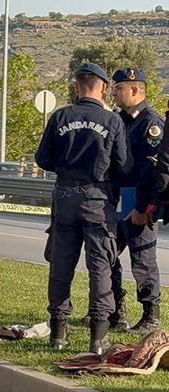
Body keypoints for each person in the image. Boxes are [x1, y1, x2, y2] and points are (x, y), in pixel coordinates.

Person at [35, 63, 131, 354]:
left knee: (61, 264)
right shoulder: (113, 121)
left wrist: (67, 168)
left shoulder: (60, 116)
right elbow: (124, 166)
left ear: (77, 86)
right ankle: (98, 338)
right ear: (102, 87)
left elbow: (42, 159)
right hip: (97, 200)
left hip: (64, 196)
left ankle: (58, 333)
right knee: (100, 265)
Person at [105, 68, 165, 334]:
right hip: (117, 198)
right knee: (107, 256)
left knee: (143, 261)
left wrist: (144, 208)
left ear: (134, 89)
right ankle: (117, 311)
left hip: (138, 200)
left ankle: (150, 315)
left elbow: (154, 171)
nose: (114, 93)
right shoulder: (118, 119)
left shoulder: (151, 123)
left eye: (118, 88)